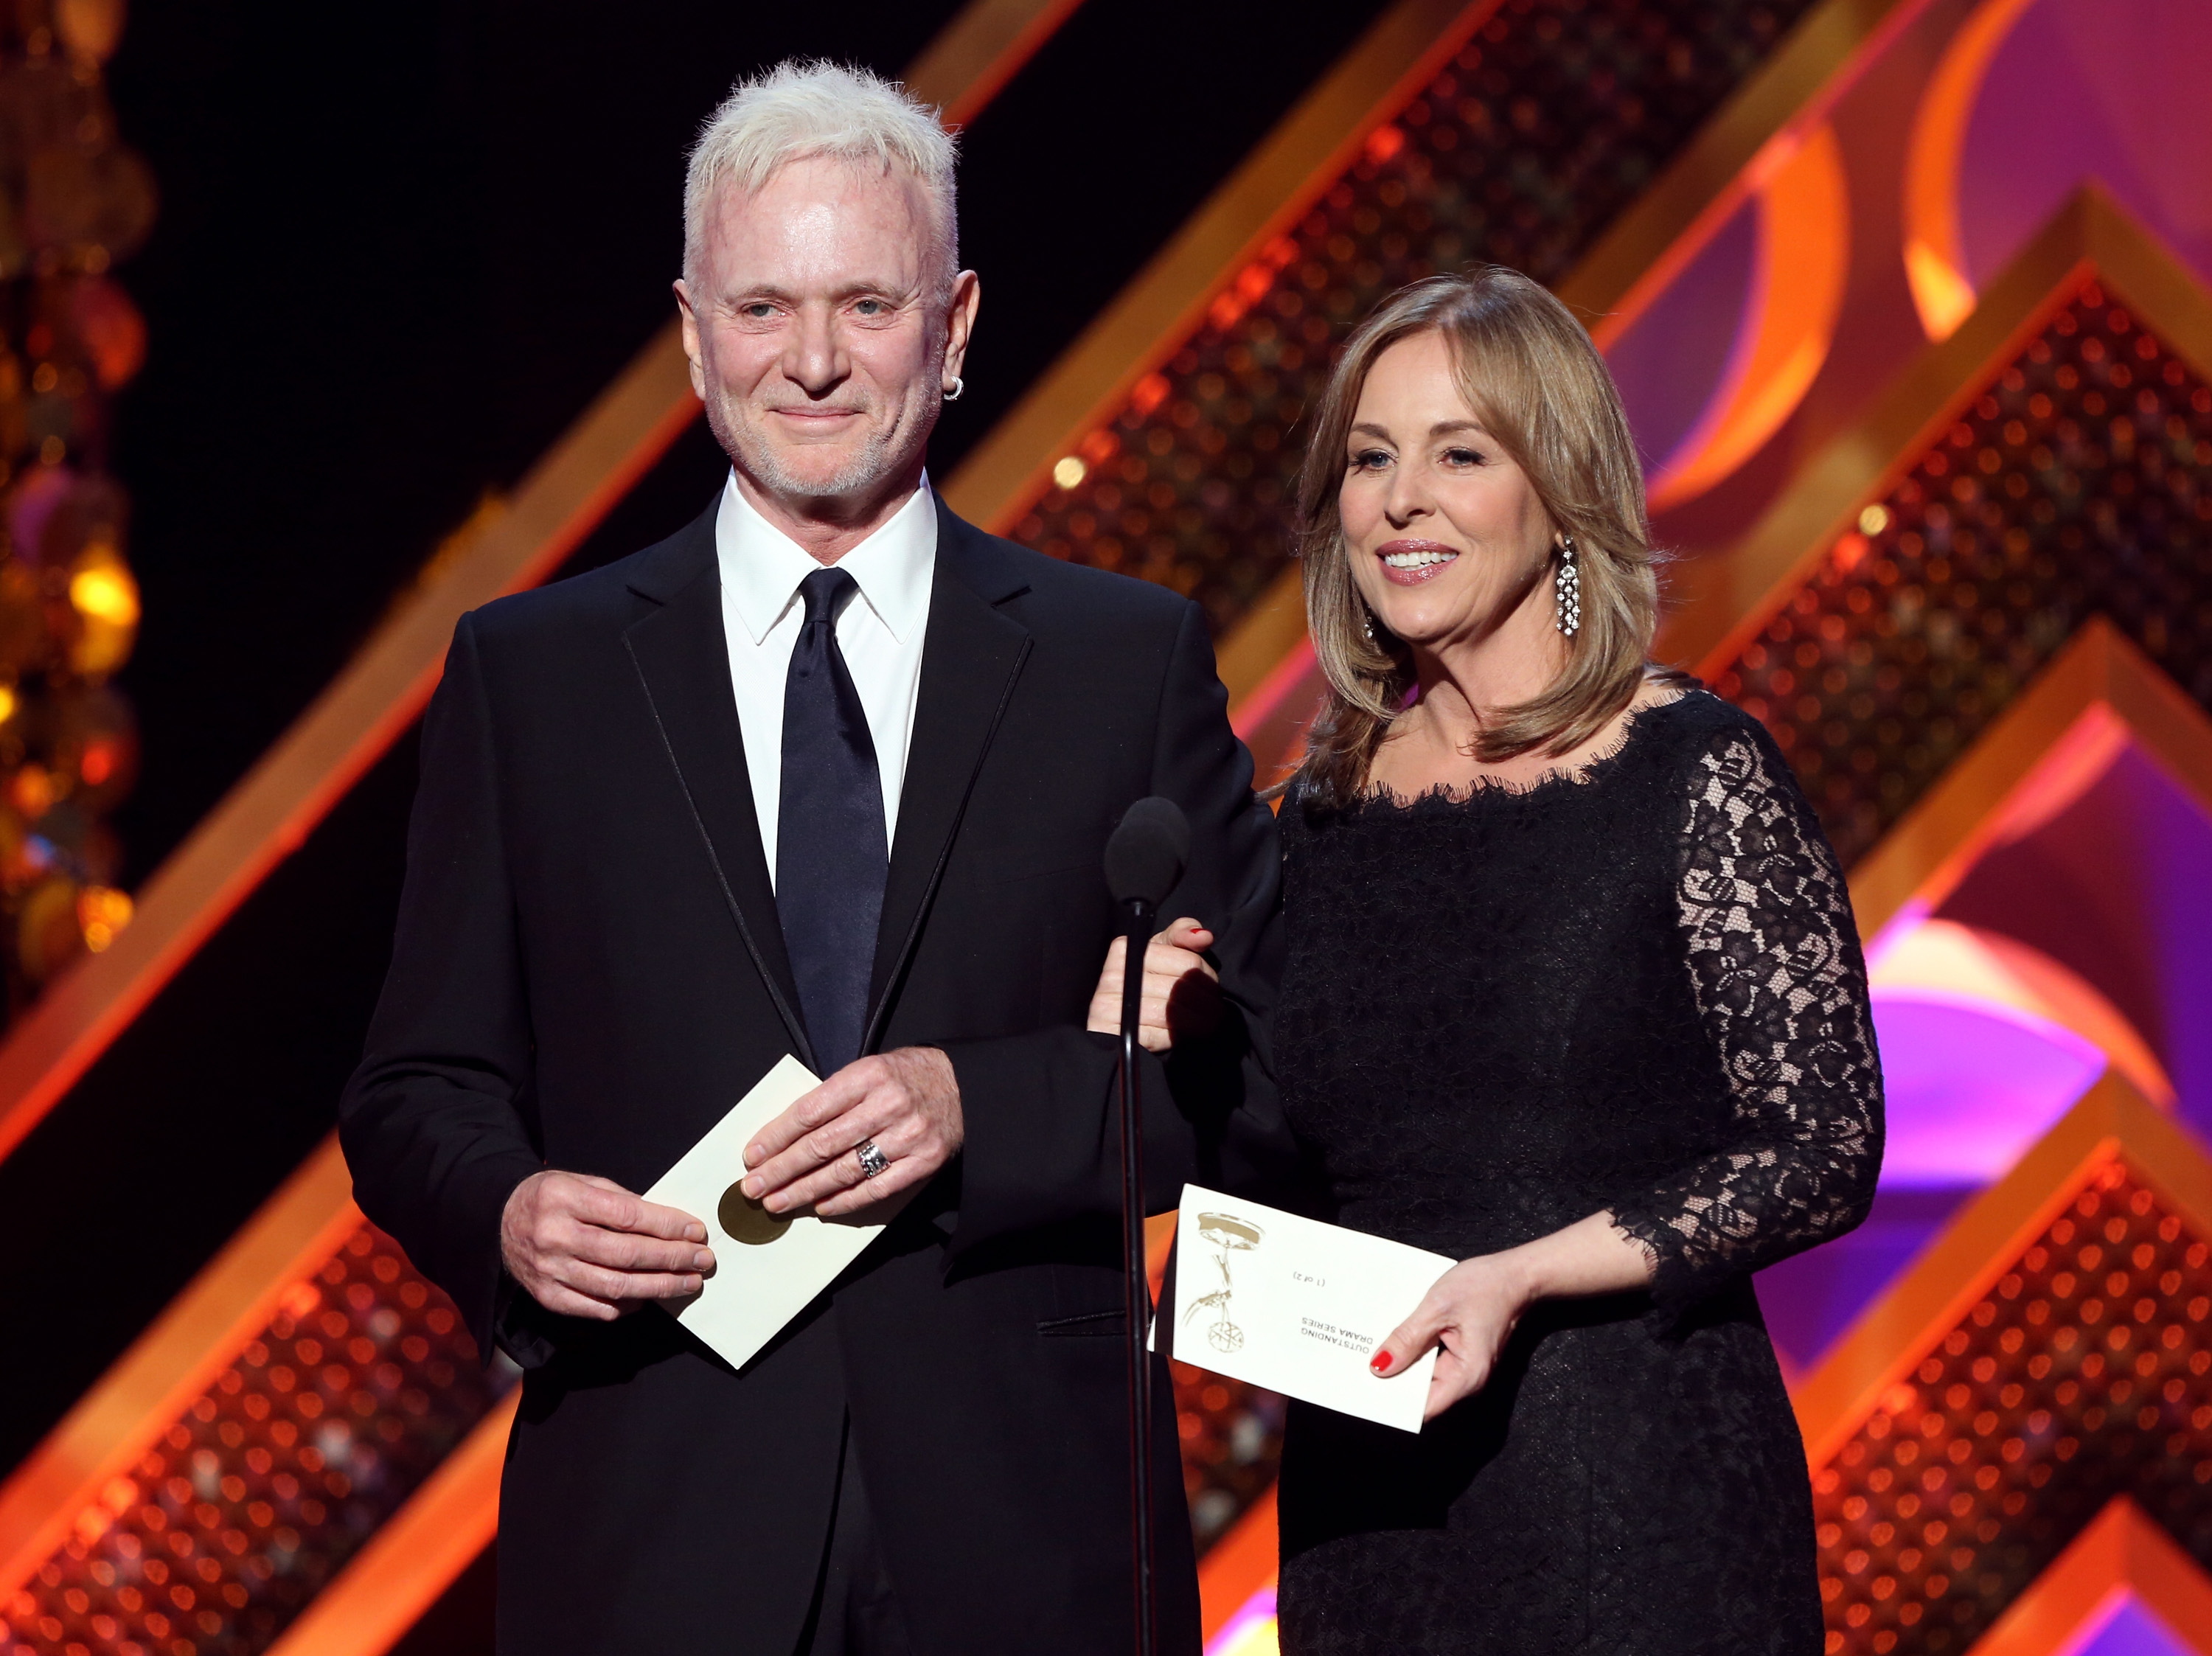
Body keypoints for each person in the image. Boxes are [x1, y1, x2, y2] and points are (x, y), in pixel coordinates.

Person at [338, 60, 1284, 1656]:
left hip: (1029, 1530)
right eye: (764, 308)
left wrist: (978, 1102)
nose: (817, 360)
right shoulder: (533, 674)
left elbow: (1255, 1077)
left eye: (868, 304)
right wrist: (505, 1212)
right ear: (694, 333)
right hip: (655, 1521)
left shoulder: (1120, 662)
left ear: (956, 325)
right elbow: (415, 1084)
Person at [1116, 268, 1883, 1653]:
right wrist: (1190, 1033)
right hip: (1374, 1516)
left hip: (1635, 1497)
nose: (1401, 500)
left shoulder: (1692, 772)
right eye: (1370, 459)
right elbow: (1300, 1166)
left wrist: (1521, 1273)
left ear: (1560, 492)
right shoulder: (1314, 823)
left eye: (1460, 454)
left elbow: (1821, 1146)